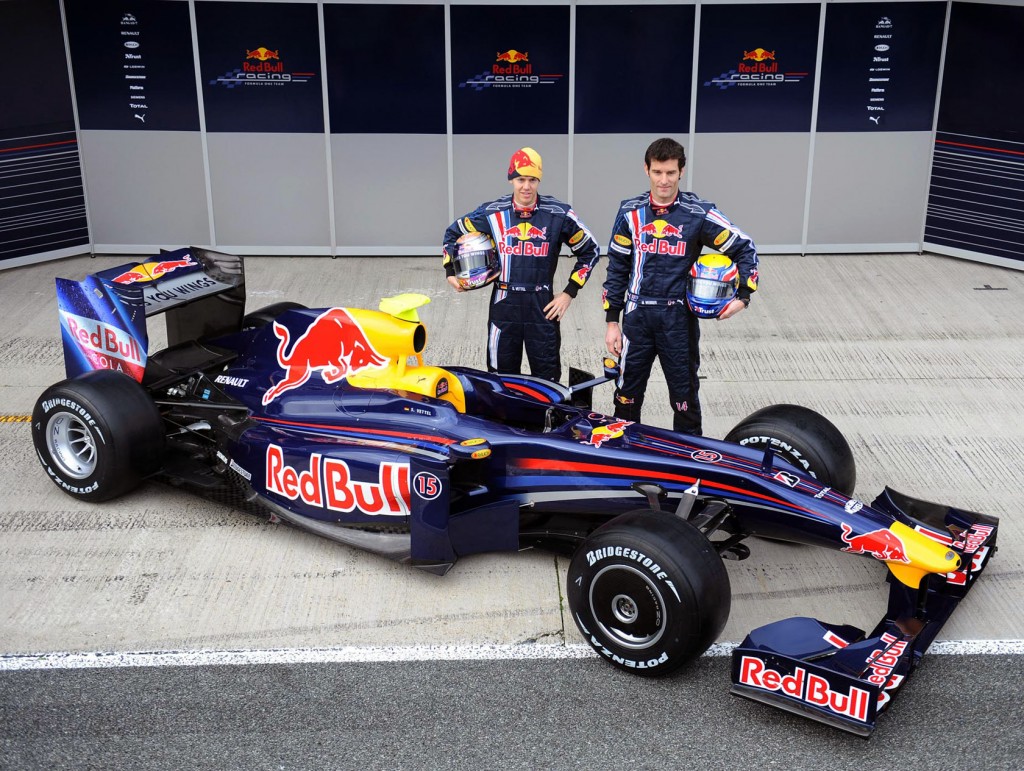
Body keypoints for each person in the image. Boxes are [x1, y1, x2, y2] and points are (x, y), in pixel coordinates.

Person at [603, 137, 759, 435]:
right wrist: (612, 321)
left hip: (678, 319)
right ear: (646, 170)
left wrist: (743, 296)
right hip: (636, 317)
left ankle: (689, 466)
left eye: (671, 173)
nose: (664, 180)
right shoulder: (629, 213)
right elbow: (617, 268)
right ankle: (623, 459)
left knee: (684, 399)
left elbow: (745, 248)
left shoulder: (698, 213)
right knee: (626, 396)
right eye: (658, 172)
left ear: (681, 172)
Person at [442, 147, 600, 383]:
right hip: (504, 303)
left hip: (543, 306)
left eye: (532, 180)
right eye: (520, 179)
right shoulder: (491, 213)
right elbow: (453, 233)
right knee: (500, 381)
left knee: (547, 381)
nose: (526, 186)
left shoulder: (559, 214)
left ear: (539, 180)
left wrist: (569, 293)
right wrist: (451, 271)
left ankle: (545, 420)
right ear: (511, 179)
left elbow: (591, 250)